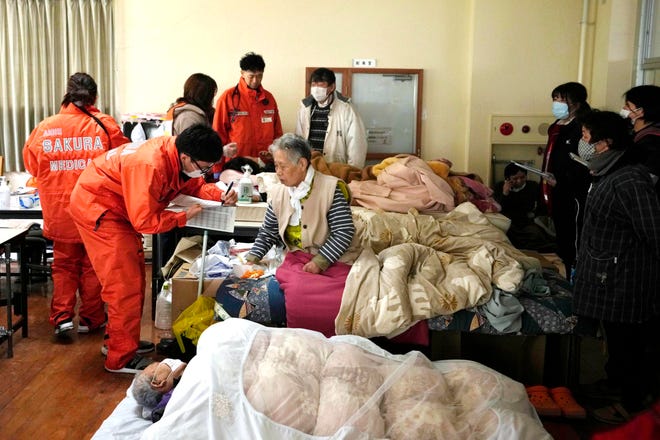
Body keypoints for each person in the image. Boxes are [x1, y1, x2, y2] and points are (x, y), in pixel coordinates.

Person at [69, 124, 238, 374]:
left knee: (134, 280)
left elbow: (194, 187)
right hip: (99, 208)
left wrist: (219, 194)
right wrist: (182, 216)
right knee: (124, 284)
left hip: (118, 208)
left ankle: (120, 342)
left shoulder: (179, 157)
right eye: (203, 167)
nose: (204, 172)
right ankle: (120, 358)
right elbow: (145, 222)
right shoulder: (150, 165)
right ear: (185, 157)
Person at [22, 72, 130, 336]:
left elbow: (32, 166)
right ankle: (91, 319)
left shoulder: (46, 127)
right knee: (93, 265)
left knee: (64, 265)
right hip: (96, 210)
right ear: (95, 96)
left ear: (67, 94)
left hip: (60, 211)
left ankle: (61, 317)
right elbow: (124, 163)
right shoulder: (105, 125)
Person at [573, 110, 660, 424]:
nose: (582, 142)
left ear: (605, 142)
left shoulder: (629, 180)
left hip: (626, 278)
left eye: (585, 136)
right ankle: (615, 384)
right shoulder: (606, 172)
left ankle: (632, 405)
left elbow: (654, 230)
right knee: (617, 340)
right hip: (608, 272)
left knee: (630, 344)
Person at [245, 133, 355, 336]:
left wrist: (320, 262)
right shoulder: (279, 192)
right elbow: (268, 231)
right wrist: (253, 257)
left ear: (302, 164)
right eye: (275, 166)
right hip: (297, 260)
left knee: (332, 294)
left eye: (282, 166)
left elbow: (344, 231)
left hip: (332, 261)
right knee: (296, 286)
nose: (277, 172)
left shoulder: (331, 188)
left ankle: (313, 338)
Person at [540, 82, 592, 276]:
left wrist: (562, 181)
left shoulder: (583, 127)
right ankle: (567, 270)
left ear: (576, 104)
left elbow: (584, 164)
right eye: (555, 99)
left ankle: (576, 276)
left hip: (574, 192)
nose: (557, 104)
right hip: (555, 188)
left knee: (573, 237)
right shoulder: (557, 125)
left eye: (562, 100)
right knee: (562, 235)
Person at [212, 52, 282, 166]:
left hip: (265, 163)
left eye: (259, 76)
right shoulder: (228, 97)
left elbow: (278, 135)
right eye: (251, 76)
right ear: (242, 73)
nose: (255, 80)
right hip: (236, 164)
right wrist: (216, 169)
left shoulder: (269, 99)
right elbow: (218, 134)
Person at [165, 73, 238, 177]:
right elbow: (195, 153)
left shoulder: (190, 112)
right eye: (211, 96)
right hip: (188, 172)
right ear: (205, 96)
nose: (212, 100)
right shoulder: (189, 117)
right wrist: (222, 152)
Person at [295, 68, 368, 168]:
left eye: (321, 85)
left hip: (335, 167)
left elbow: (356, 144)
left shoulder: (346, 108)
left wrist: (354, 172)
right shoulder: (305, 107)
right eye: (313, 85)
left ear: (332, 87)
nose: (316, 89)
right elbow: (299, 139)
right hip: (309, 166)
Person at [493, 163, 555, 252]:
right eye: (515, 178)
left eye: (522, 177)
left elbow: (541, 206)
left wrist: (534, 214)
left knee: (536, 234)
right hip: (509, 222)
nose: (519, 181)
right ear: (508, 178)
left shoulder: (533, 186)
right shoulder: (500, 186)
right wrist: (505, 193)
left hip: (526, 221)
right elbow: (499, 208)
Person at [620, 84, 660, 188]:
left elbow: (646, 180)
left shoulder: (652, 141)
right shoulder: (633, 131)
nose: (624, 108)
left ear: (640, 111)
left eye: (627, 105)